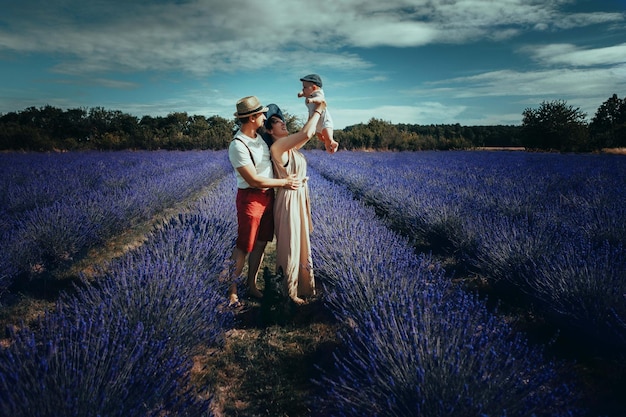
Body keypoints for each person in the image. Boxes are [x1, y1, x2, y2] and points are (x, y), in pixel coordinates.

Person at [227, 96, 301, 306]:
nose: (263, 117)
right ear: (252, 118)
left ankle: (251, 285)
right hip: (251, 199)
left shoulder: (259, 138)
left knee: (260, 243)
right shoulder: (238, 144)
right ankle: (232, 291)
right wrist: (284, 182)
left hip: (268, 196)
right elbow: (252, 179)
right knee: (244, 245)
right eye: (260, 114)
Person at [263, 99, 326, 304]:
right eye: (276, 122)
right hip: (289, 198)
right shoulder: (278, 146)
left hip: (298, 196)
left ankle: (304, 287)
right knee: (290, 244)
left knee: (301, 242)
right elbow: (306, 133)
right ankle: (288, 292)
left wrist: (313, 110)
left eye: (282, 120)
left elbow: (307, 132)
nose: (282, 123)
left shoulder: (290, 147)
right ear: (269, 131)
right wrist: (319, 110)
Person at [297, 74, 338, 154]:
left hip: (324, 120)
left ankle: (332, 142)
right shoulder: (309, 94)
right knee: (320, 137)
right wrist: (301, 94)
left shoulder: (318, 94)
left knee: (327, 135)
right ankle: (328, 146)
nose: (303, 89)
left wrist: (312, 100)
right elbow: (304, 93)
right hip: (316, 123)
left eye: (305, 87)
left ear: (314, 88)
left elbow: (320, 100)